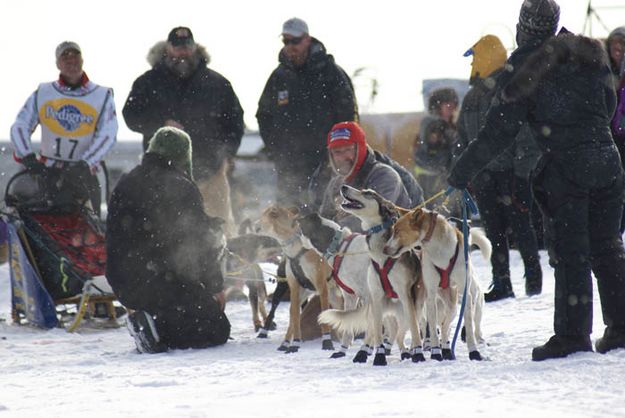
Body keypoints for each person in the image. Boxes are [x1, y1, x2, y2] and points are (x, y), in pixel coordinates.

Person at [448, 0, 625, 360]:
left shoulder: (525, 67)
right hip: (608, 161)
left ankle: (574, 336)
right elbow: (609, 104)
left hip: (567, 167)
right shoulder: (590, 53)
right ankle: (621, 328)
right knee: (607, 248)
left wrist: (461, 171)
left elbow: (498, 133)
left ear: (523, 25)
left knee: (571, 251)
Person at [106, 127, 230, 353]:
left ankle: (151, 318)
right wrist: (214, 286)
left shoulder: (126, 181)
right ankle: (155, 326)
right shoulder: (181, 186)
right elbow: (198, 243)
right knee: (216, 328)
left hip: (125, 281)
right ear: (183, 156)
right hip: (163, 280)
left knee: (179, 304)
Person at [122, 26, 244, 219]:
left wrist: (227, 154)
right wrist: (160, 124)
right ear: (168, 48)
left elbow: (235, 122)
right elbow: (131, 116)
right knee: (166, 234)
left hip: (211, 174)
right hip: (162, 177)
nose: (182, 51)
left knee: (219, 233)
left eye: (187, 46)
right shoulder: (148, 82)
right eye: (177, 47)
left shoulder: (217, 83)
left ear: (194, 47)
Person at [455, 34, 542, 302]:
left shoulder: (511, 89)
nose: (473, 66)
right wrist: (464, 169)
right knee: (494, 230)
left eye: (476, 59)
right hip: (484, 176)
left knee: (521, 225)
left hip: (509, 173)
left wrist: (521, 171)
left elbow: (525, 135)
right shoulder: (471, 97)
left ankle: (534, 282)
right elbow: (461, 139)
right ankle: (502, 282)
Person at [257, 17, 358, 207]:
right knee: (289, 217)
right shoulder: (279, 77)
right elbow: (263, 115)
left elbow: (348, 117)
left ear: (307, 39)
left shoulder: (331, 73)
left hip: (326, 162)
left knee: (326, 214)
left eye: (295, 41)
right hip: (289, 165)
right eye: (286, 41)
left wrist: (338, 153)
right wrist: (276, 149)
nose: (290, 46)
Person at [10, 41, 117, 216]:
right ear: (58, 64)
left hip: (83, 178)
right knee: (44, 228)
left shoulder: (101, 95)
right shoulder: (44, 92)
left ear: (82, 60)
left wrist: (86, 163)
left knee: (90, 234)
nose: (71, 62)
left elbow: (108, 134)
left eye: (75, 56)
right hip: (47, 175)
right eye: (65, 58)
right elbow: (20, 126)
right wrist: (28, 157)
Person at [319, 121, 410, 232]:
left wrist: (333, 227)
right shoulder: (335, 184)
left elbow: (373, 219)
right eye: (337, 152)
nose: (343, 157)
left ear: (360, 149)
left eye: (348, 149)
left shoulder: (384, 176)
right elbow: (323, 219)